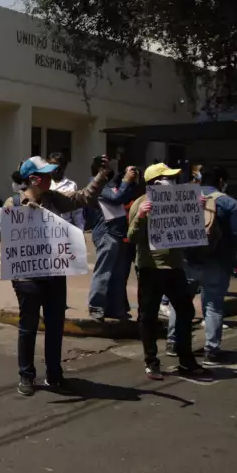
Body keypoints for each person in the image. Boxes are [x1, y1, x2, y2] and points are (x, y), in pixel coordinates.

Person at [2, 156, 108, 396]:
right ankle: (26, 375)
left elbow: (83, 199)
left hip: (55, 273)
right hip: (27, 277)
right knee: (28, 328)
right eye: (47, 174)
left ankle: (54, 373)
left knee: (55, 326)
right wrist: (24, 218)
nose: (51, 178)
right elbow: (2, 234)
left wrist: (101, 176)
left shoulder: (53, 199)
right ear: (33, 179)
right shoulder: (14, 202)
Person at [128, 163, 211, 381]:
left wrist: (197, 209)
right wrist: (141, 217)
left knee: (185, 312)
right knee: (148, 316)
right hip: (150, 268)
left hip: (175, 267)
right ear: (155, 182)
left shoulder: (179, 200)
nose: (172, 181)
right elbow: (132, 237)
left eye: (173, 178)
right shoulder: (141, 203)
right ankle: (151, 361)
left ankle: (186, 359)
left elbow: (191, 231)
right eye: (167, 178)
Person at [167, 167, 237, 365]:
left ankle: (173, 343)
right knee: (213, 306)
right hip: (218, 262)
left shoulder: (183, 197)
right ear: (221, 181)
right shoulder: (229, 203)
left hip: (186, 260)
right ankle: (211, 350)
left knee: (180, 302)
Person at [84, 156, 139, 321]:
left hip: (117, 233)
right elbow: (116, 198)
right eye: (106, 167)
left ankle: (115, 308)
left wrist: (132, 182)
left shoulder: (111, 185)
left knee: (118, 273)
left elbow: (125, 197)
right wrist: (126, 182)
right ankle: (96, 306)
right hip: (105, 233)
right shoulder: (96, 185)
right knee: (104, 271)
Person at [49, 152, 86, 231]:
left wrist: (80, 231)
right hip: (48, 227)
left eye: (55, 164)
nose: (52, 167)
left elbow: (77, 212)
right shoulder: (45, 184)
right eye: (50, 163)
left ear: (63, 166)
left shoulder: (71, 185)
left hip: (65, 228)